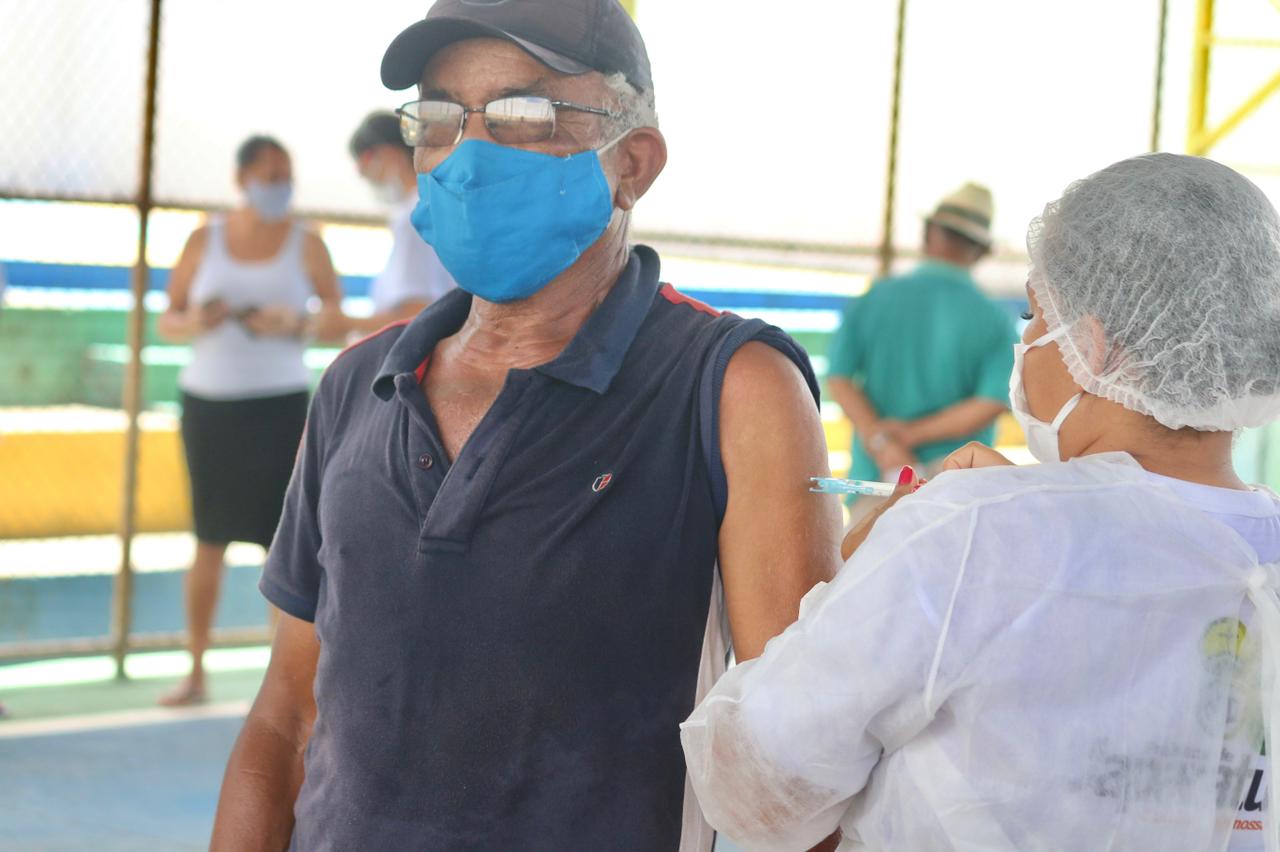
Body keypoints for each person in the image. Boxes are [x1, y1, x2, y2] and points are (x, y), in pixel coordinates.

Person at [210, 1, 840, 850]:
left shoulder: (732, 387)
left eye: (525, 114)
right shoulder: (360, 385)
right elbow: (286, 717)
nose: (470, 155)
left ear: (632, 164)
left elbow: (796, 772)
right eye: (440, 117)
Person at [681, 153, 1280, 851]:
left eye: (1034, 313)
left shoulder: (968, 536)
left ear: (1095, 348)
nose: (1025, 341)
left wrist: (863, 580)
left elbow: (757, 789)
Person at [156, 135, 342, 706]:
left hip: (280, 407)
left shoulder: (309, 244)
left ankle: (281, 688)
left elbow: (337, 320)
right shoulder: (202, 239)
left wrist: (295, 324)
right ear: (242, 180)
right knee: (208, 538)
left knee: (283, 545)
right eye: (269, 175)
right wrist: (198, 320)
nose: (279, 187)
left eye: (286, 176)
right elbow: (168, 318)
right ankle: (195, 672)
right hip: (209, 406)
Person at [827, 183, 1016, 520]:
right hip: (957, 486)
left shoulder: (874, 298)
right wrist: (911, 434)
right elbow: (990, 403)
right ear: (981, 251)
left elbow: (840, 378)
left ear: (928, 234)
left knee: (866, 552)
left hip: (876, 480)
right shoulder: (995, 320)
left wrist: (884, 443)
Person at [309, 112, 456, 342]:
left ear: (388, 154)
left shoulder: (414, 216)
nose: (369, 181)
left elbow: (417, 316)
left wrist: (345, 322)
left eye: (367, 171)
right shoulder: (434, 204)